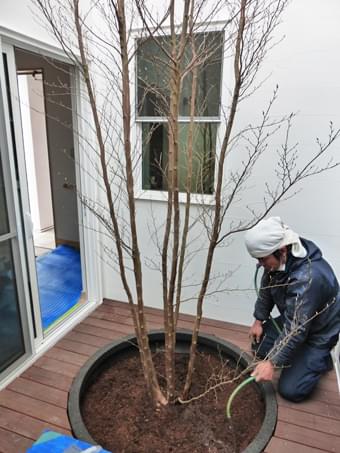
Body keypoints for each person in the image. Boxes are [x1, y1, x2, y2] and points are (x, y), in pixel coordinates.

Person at [244, 216, 340, 402]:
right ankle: (297, 355)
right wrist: (258, 320)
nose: (260, 264)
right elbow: (266, 290)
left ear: (281, 250)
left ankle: (320, 360)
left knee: (291, 390)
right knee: (259, 345)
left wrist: (272, 362)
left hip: (318, 332)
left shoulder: (308, 278)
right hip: (297, 319)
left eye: (262, 259)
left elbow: (297, 328)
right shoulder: (277, 261)